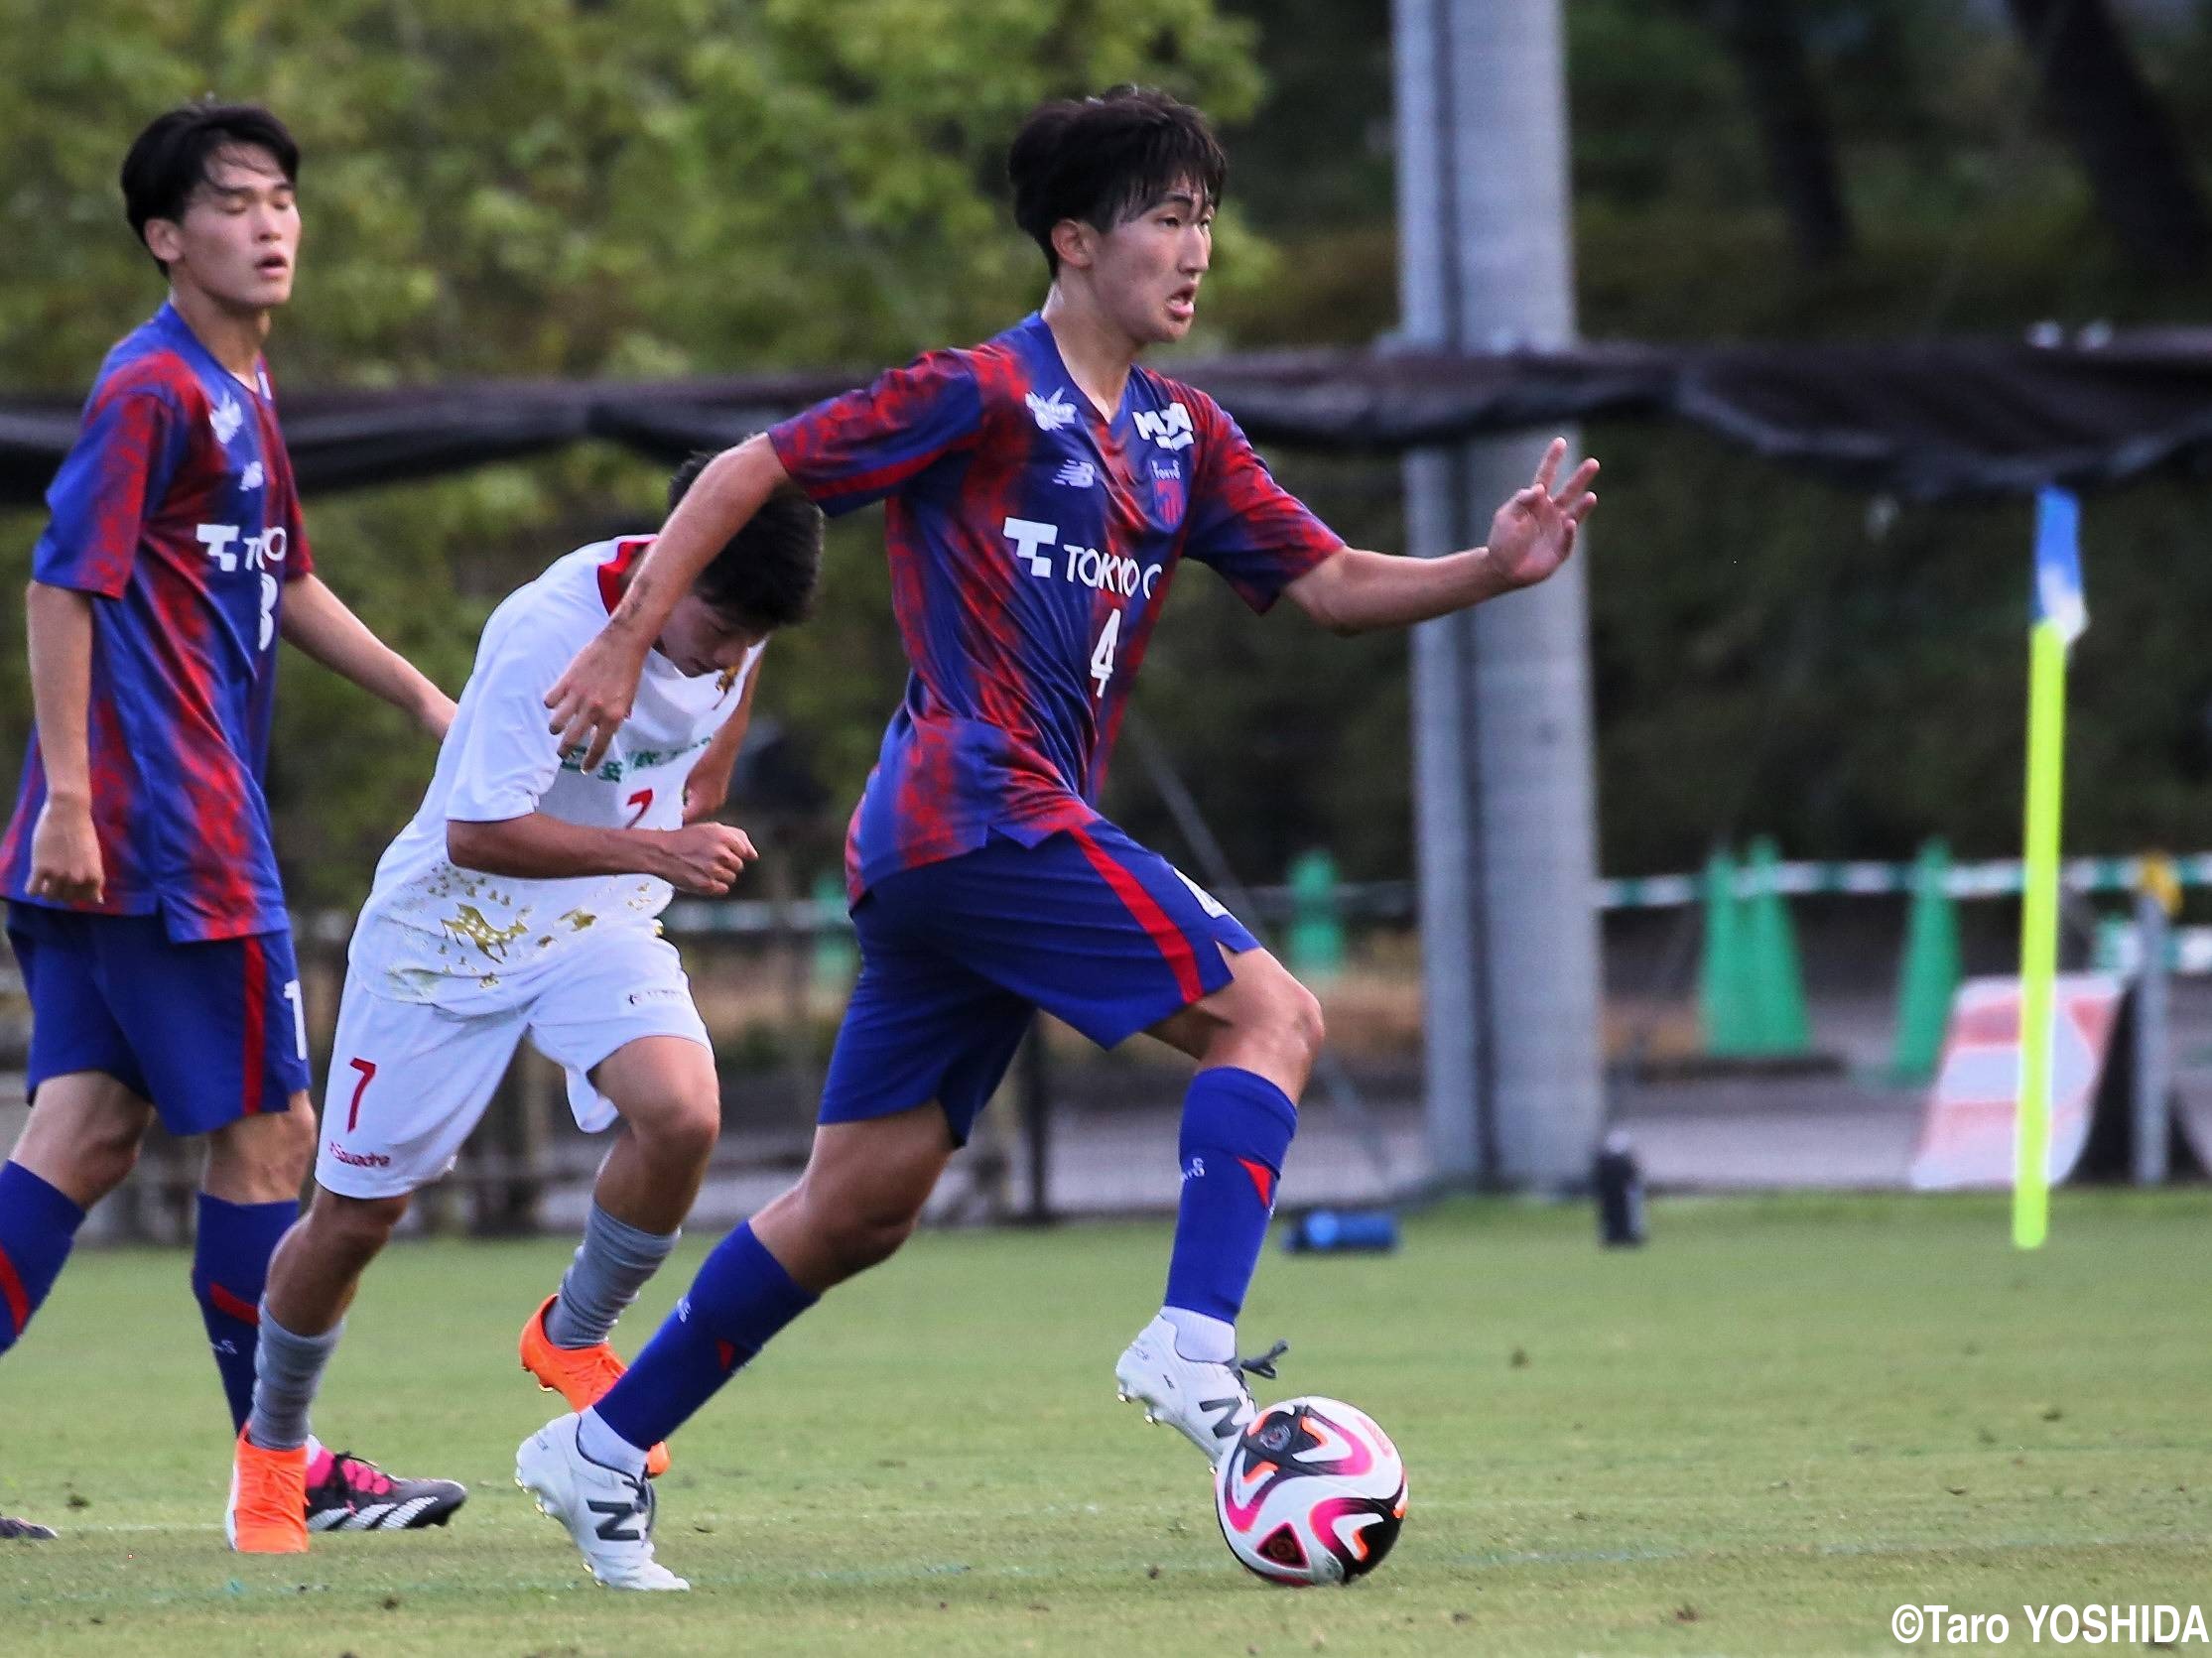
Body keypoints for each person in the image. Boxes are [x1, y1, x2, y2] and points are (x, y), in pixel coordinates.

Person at [522, 85, 1598, 1590]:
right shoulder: (979, 394)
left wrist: (1489, 565)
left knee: (859, 1202)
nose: (1194, 247)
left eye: (1205, 218)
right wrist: (633, 637)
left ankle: (598, 1446)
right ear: (1076, 240)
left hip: (958, 844)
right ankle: (1191, 1346)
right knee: (1270, 1012)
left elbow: (1335, 581)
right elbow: (750, 468)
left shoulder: (1182, 436)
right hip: (977, 804)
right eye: (1167, 217)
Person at [0, 102, 467, 1540]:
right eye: (235, 202)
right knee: (274, 1136)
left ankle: (287, 1463)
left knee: (79, 1131)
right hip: (162, 836)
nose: (271, 225)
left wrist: (421, 698)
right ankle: (288, 1472)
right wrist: (79, 798)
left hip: (119, 834)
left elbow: (291, 578)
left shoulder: (241, 387)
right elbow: (60, 583)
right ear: (165, 236)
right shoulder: (154, 388)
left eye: (282, 198)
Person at [224, 455, 823, 1554]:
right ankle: (271, 1451)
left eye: (751, 639)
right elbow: (476, 831)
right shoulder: (547, 627)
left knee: (683, 1112)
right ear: (669, 561)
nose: (729, 655)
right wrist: (658, 845)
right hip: (445, 937)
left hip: (595, 923)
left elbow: (720, 719)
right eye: (721, 626)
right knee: (357, 1218)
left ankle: (572, 1335)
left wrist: (691, 797)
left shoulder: (738, 628)